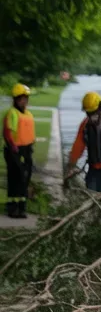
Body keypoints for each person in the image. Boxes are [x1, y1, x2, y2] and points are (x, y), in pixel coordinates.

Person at [3, 83, 35, 218]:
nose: (25, 101)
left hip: (27, 150)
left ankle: (22, 207)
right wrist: (13, 147)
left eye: (26, 98)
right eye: (22, 98)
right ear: (16, 99)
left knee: (25, 178)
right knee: (16, 178)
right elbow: (7, 131)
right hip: (14, 150)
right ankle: (13, 207)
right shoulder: (12, 113)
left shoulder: (28, 113)